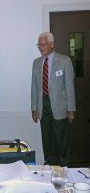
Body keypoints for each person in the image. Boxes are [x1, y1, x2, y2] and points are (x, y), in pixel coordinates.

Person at [31, 32, 76, 166]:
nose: (40, 47)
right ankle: (50, 164)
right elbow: (34, 87)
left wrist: (71, 109)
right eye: (39, 45)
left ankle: (65, 165)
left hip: (60, 106)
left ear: (51, 44)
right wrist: (34, 108)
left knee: (62, 138)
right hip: (42, 105)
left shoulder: (64, 60)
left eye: (43, 44)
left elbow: (69, 86)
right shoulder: (36, 63)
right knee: (47, 137)